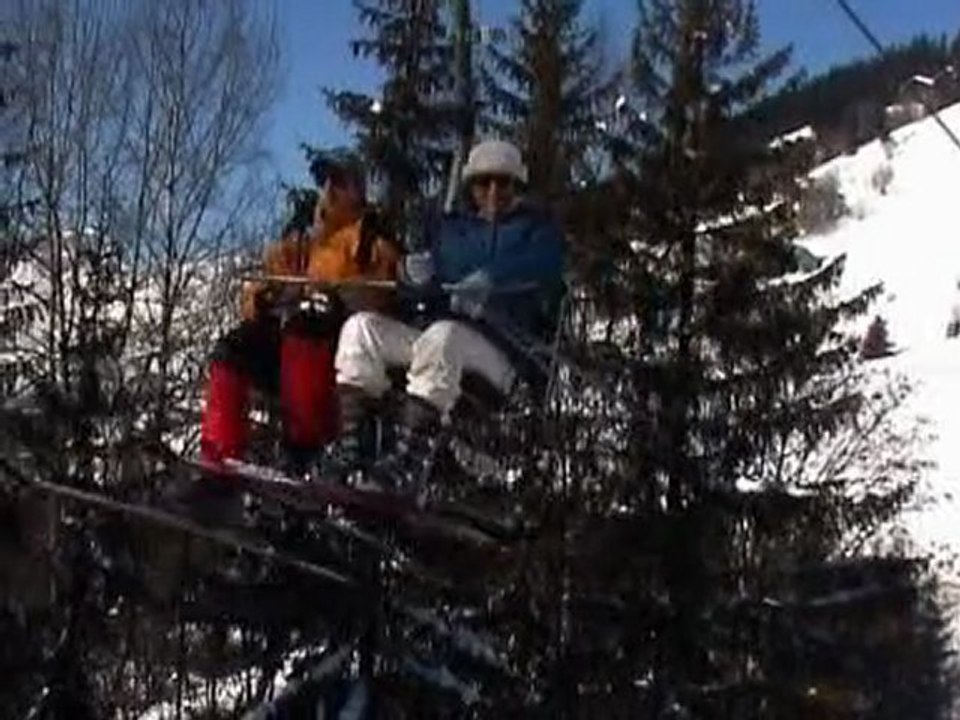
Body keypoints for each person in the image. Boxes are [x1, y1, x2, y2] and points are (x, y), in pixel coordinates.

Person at [330, 139, 565, 486]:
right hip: (438, 340)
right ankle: (354, 448)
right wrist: (410, 275)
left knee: (444, 338)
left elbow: (544, 266)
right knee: (360, 329)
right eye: (484, 183)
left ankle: (409, 462)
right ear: (472, 188)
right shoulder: (452, 232)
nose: (493, 191)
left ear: (518, 186)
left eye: (504, 182)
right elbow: (427, 285)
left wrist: (492, 280)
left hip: (502, 353)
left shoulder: (536, 232)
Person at [200, 152, 400, 469]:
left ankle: (303, 449)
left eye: (340, 182)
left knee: (307, 324)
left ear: (358, 191)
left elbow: (382, 294)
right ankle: (220, 453)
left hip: (336, 344)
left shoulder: (372, 241)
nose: (330, 190)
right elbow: (262, 287)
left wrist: (335, 295)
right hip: (289, 340)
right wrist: (266, 298)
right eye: (325, 182)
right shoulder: (301, 242)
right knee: (234, 348)